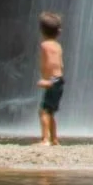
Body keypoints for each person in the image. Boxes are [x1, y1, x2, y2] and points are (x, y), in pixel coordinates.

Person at [37, 11, 66, 146]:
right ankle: (54, 139)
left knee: (43, 111)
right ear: (58, 32)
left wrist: (47, 80)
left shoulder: (45, 46)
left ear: (42, 31)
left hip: (52, 80)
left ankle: (45, 139)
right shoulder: (58, 46)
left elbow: (50, 64)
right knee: (51, 112)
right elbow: (60, 65)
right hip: (60, 80)